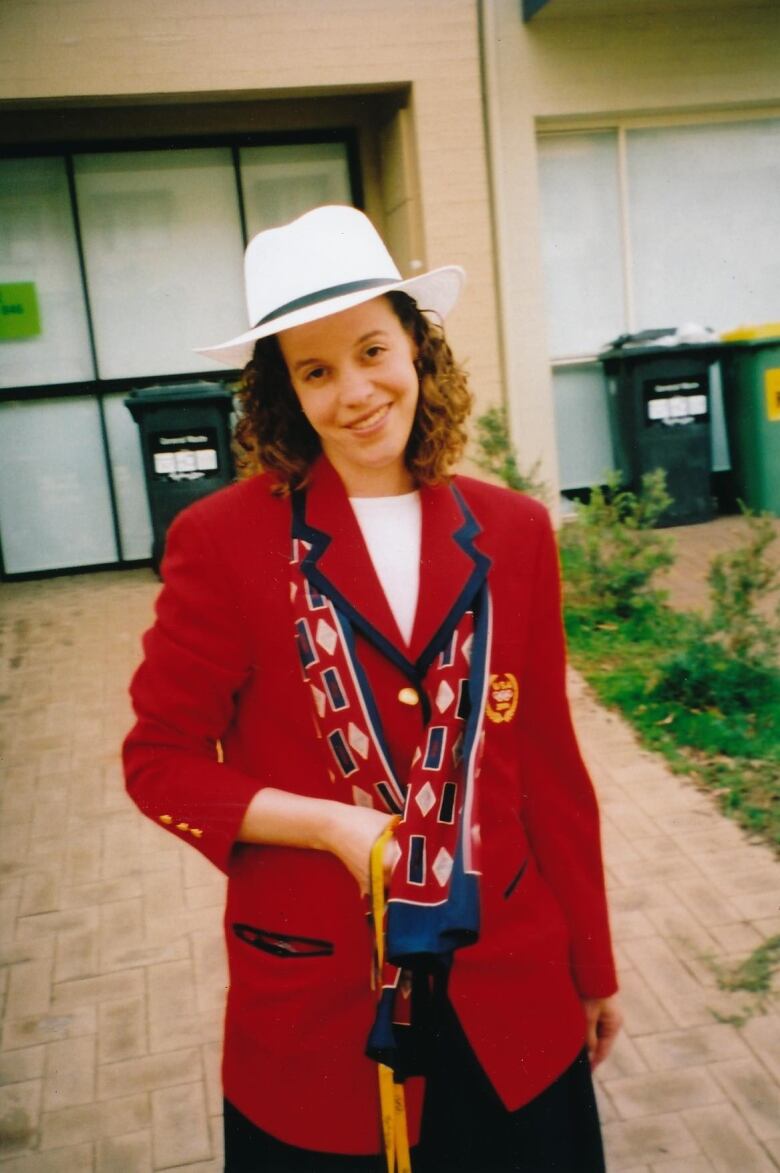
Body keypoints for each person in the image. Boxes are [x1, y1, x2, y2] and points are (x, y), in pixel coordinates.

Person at [123, 205, 621, 1172]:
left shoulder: (514, 531)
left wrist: (591, 968)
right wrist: (329, 826)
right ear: (285, 394)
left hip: (512, 996)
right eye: (316, 370)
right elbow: (160, 764)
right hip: (321, 1019)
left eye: (372, 349)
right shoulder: (222, 542)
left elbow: (550, 770)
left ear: (418, 351)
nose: (355, 391)